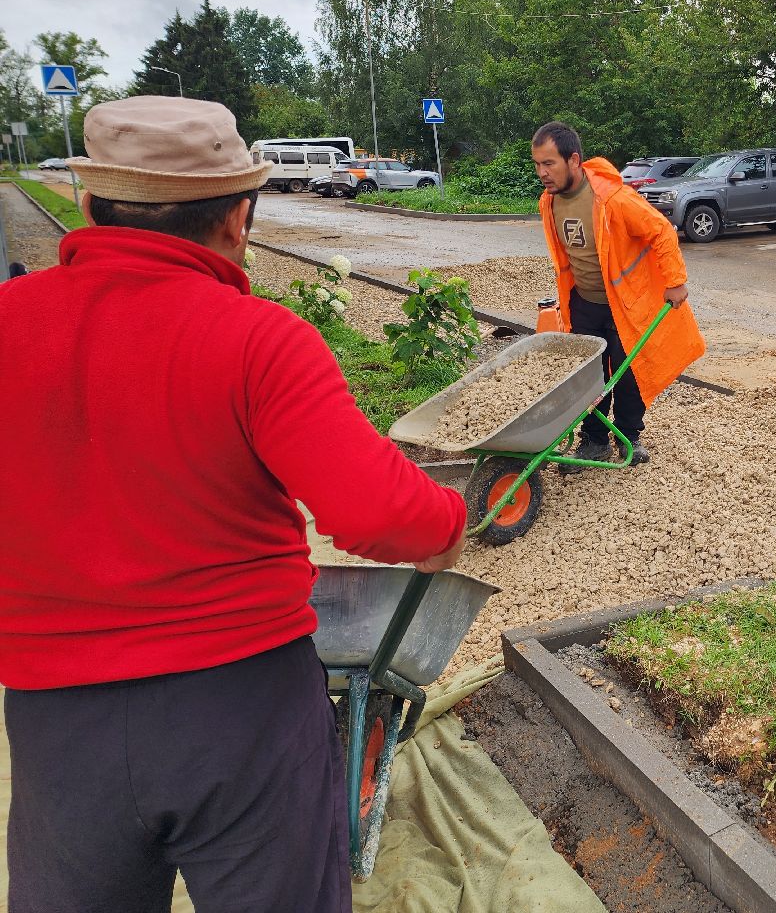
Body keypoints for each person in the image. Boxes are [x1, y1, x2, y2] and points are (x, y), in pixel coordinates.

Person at [0, 97, 468, 912]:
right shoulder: (258, 339)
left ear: (88, 204)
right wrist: (448, 525)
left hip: (56, 714)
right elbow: (382, 513)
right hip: (241, 704)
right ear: (238, 219)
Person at [531, 121, 705, 467]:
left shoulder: (612, 198)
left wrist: (675, 281)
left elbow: (661, 230)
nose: (542, 173)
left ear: (574, 160)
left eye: (549, 163)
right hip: (584, 302)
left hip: (626, 303)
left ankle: (629, 435)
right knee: (588, 375)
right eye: (537, 164)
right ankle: (593, 440)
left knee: (628, 372)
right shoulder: (548, 203)